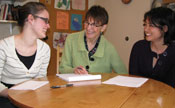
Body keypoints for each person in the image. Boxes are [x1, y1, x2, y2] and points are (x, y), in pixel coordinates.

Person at [0, 2, 51, 107]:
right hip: (6, 96)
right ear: (31, 19)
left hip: (32, 96)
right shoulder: (3, 46)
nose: (48, 26)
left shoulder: (45, 49)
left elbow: (41, 78)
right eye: (45, 21)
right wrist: (13, 94)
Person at [59, 5, 127, 74]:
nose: (88, 28)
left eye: (94, 24)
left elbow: (123, 74)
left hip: (100, 85)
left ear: (103, 27)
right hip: (75, 84)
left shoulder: (109, 48)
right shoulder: (71, 40)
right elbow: (63, 68)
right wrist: (74, 70)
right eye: (87, 23)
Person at [129, 7, 175, 87]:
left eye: (151, 25)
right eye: (145, 24)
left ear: (165, 28)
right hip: (140, 96)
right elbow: (133, 79)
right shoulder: (138, 47)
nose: (146, 29)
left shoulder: (173, 51)